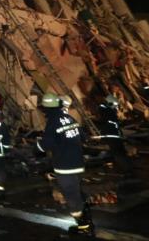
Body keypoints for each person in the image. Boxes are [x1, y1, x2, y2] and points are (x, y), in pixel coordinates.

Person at [38, 93, 93, 236]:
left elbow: (45, 145)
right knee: (77, 192)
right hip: (78, 163)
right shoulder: (69, 118)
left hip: (65, 167)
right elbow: (83, 136)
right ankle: (87, 219)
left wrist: (37, 148)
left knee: (71, 196)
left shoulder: (53, 122)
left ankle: (84, 227)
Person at [95, 95, 131, 174]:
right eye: (114, 105)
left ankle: (123, 168)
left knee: (118, 153)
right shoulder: (108, 112)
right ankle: (126, 169)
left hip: (113, 136)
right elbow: (113, 124)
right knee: (119, 153)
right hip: (113, 136)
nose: (115, 107)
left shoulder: (105, 111)